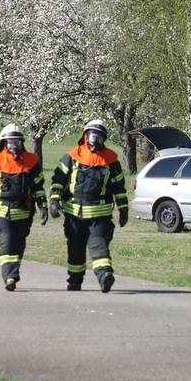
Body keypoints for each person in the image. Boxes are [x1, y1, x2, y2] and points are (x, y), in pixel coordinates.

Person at [49, 119, 128, 293]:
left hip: (100, 215)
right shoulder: (71, 157)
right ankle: (74, 281)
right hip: (74, 214)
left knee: (98, 244)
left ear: (104, 138)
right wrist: (54, 201)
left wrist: (124, 209)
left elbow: (119, 188)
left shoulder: (111, 161)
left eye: (99, 136)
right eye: (92, 135)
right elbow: (58, 181)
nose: (95, 140)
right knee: (75, 249)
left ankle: (104, 275)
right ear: (85, 136)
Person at [0, 124, 48, 291]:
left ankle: (12, 273)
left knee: (18, 245)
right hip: (1, 211)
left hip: (23, 212)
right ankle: (9, 277)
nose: (14, 144)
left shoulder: (32, 161)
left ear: (22, 142)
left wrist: (43, 206)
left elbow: (38, 187)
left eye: (17, 141)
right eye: (10, 141)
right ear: (4, 143)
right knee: (7, 242)